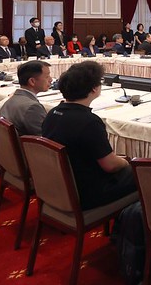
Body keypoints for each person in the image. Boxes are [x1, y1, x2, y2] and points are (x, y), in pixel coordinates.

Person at [42, 61, 137, 210]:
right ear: (94, 89)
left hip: (59, 185)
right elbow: (110, 166)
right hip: (87, 192)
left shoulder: (52, 114)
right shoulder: (89, 122)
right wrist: (127, 162)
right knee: (146, 175)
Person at [0, 60, 52, 136]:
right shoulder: (32, 107)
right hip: (28, 147)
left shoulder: (11, 100)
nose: (51, 80)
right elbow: (46, 137)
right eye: (47, 77)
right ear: (32, 81)